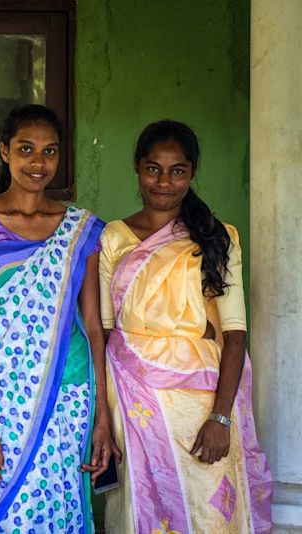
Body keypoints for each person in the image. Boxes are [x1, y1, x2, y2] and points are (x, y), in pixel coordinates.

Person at [0, 104, 119, 533]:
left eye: (50, 151)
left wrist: (103, 417)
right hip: (2, 401)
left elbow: (94, 327)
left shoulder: (81, 229)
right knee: (8, 514)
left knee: (64, 512)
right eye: (26, 149)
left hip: (69, 394)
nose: (38, 162)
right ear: (5, 152)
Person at [100, 120, 273, 533]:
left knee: (211, 512)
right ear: (137, 169)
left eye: (177, 170)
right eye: (153, 168)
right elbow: (107, 331)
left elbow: (234, 335)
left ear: (192, 172)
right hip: (134, 400)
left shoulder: (217, 238)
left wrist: (221, 418)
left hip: (202, 409)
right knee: (141, 508)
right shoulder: (113, 238)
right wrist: (101, 419)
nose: (164, 181)